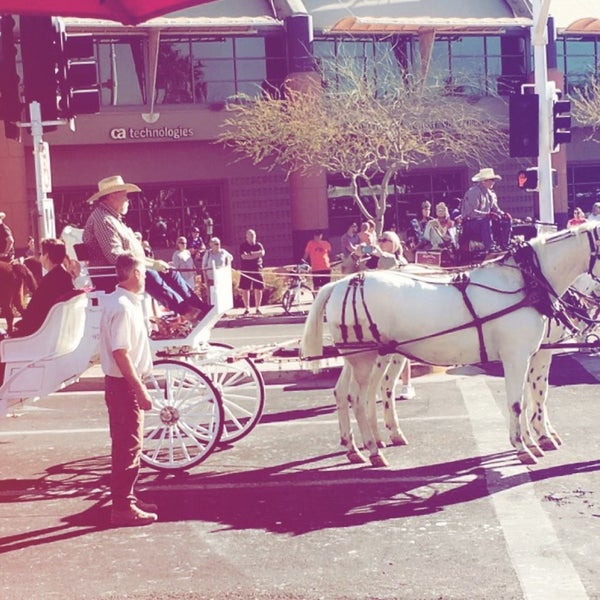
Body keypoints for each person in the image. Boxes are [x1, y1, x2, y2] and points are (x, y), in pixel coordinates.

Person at [83, 175, 208, 323]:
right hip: (110, 276)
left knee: (169, 271)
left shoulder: (113, 219)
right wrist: (150, 264)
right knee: (148, 273)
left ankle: (199, 307)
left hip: (125, 270)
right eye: (124, 196)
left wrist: (154, 263)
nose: (127, 200)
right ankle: (186, 310)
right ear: (112, 196)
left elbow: (129, 255)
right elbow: (116, 257)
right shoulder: (103, 219)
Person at [99, 253, 158, 527]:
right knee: (128, 447)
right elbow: (121, 354)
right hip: (123, 387)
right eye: (143, 272)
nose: (145, 277)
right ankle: (123, 507)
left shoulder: (122, 302)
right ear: (134, 273)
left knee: (127, 445)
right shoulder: (123, 307)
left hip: (121, 386)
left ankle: (127, 498)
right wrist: (139, 390)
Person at [12, 238, 76, 338]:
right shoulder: (65, 277)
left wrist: (17, 327)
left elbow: (32, 313)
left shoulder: (50, 281)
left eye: (41, 254)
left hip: (40, 333)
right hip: (55, 329)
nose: (40, 257)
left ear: (46, 256)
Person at [461, 167, 511, 252]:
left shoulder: (491, 194)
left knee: (505, 220)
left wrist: (503, 214)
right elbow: (471, 212)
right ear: (484, 181)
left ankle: (504, 244)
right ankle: (490, 246)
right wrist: (487, 215)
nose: (493, 182)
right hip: (471, 223)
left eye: (493, 180)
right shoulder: (473, 192)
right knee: (485, 220)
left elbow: (496, 209)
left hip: (484, 221)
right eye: (491, 180)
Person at [239, 228, 265, 316]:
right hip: (246, 269)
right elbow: (244, 257)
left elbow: (262, 253)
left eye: (254, 236)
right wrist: (255, 255)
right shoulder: (243, 246)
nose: (252, 237)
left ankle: (258, 308)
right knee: (245, 289)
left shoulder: (259, 245)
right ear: (246, 237)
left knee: (258, 288)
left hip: (257, 269)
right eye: (250, 236)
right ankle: (247, 308)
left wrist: (251, 254)